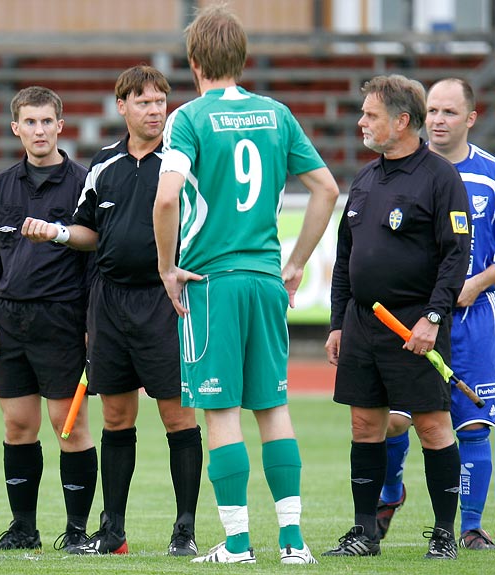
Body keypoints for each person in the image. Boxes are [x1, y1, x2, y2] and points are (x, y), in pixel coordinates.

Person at [152, 5, 339, 565]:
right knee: (273, 406)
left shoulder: (187, 118)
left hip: (212, 282)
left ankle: (236, 544)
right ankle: (293, 540)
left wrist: (166, 267)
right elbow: (326, 189)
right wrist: (297, 261)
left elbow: (166, 198)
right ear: (242, 57)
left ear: (193, 61)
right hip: (264, 279)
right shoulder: (277, 114)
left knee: (221, 411)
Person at [21, 65, 203, 557]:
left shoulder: (185, 158)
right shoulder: (102, 165)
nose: (155, 109)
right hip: (110, 303)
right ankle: (113, 530)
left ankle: (184, 529)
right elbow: (88, 232)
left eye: (161, 100)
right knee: (116, 418)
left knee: (178, 418)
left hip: (168, 303)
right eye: (143, 101)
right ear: (121, 107)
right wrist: (56, 232)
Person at [323, 74, 471, 560]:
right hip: (363, 324)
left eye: (371, 115)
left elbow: (456, 255)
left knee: (432, 426)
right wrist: (338, 323)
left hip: (415, 325)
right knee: (364, 425)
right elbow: (346, 260)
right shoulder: (365, 178)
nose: (362, 122)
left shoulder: (439, 176)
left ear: (402, 121)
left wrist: (433, 316)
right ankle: (365, 531)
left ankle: (445, 534)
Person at [0, 86, 97, 554]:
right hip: (9, 323)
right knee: (18, 427)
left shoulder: (84, 183)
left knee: (69, 426)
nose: (39, 130)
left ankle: (77, 530)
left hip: (63, 321)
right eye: (30, 122)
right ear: (16, 128)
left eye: (47, 121)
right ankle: (24, 527)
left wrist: (90, 323)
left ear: (60, 126)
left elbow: (94, 262)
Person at [375, 78, 495, 550]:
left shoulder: (489, 174)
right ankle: (390, 492)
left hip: (471, 320)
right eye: (434, 112)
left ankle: (470, 527)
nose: (439, 121)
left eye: (449, 112)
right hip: (414, 318)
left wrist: (476, 284)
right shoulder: (404, 170)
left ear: (471, 117)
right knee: (395, 421)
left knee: (473, 425)